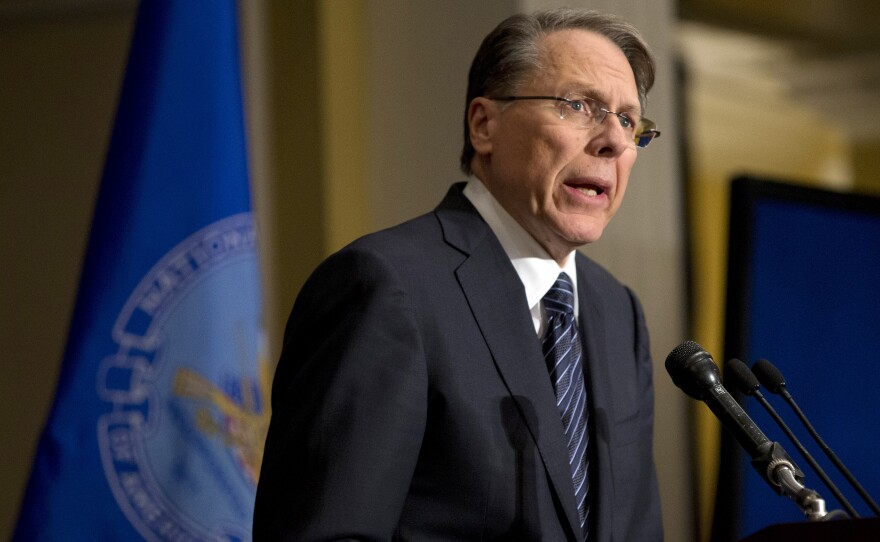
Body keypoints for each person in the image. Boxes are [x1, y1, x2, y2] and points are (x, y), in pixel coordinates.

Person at [254, 7, 663, 541]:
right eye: (579, 106)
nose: (612, 140)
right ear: (484, 124)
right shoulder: (386, 287)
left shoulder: (618, 313)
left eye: (628, 121)